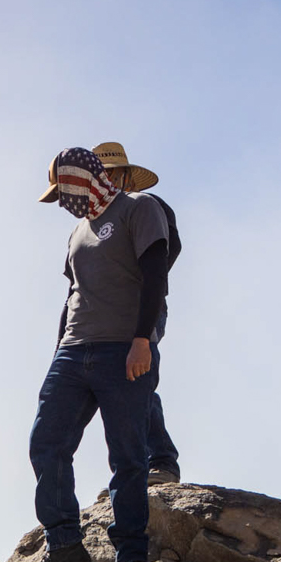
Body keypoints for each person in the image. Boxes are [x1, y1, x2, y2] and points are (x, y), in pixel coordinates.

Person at [16, 145, 179, 562]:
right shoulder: (75, 234)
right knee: (45, 444)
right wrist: (57, 351)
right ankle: (65, 548)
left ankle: (132, 558)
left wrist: (143, 340)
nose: (61, 203)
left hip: (121, 348)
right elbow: (73, 297)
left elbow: (155, 277)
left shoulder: (140, 209)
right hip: (73, 351)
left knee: (127, 457)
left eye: (63, 191)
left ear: (82, 179)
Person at [94, 141, 183, 485]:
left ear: (124, 176)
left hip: (140, 308)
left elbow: (167, 251)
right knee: (115, 392)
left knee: (137, 382)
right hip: (102, 317)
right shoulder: (95, 222)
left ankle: (161, 461)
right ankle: (133, 473)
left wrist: (139, 283)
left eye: (109, 174)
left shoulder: (148, 206)